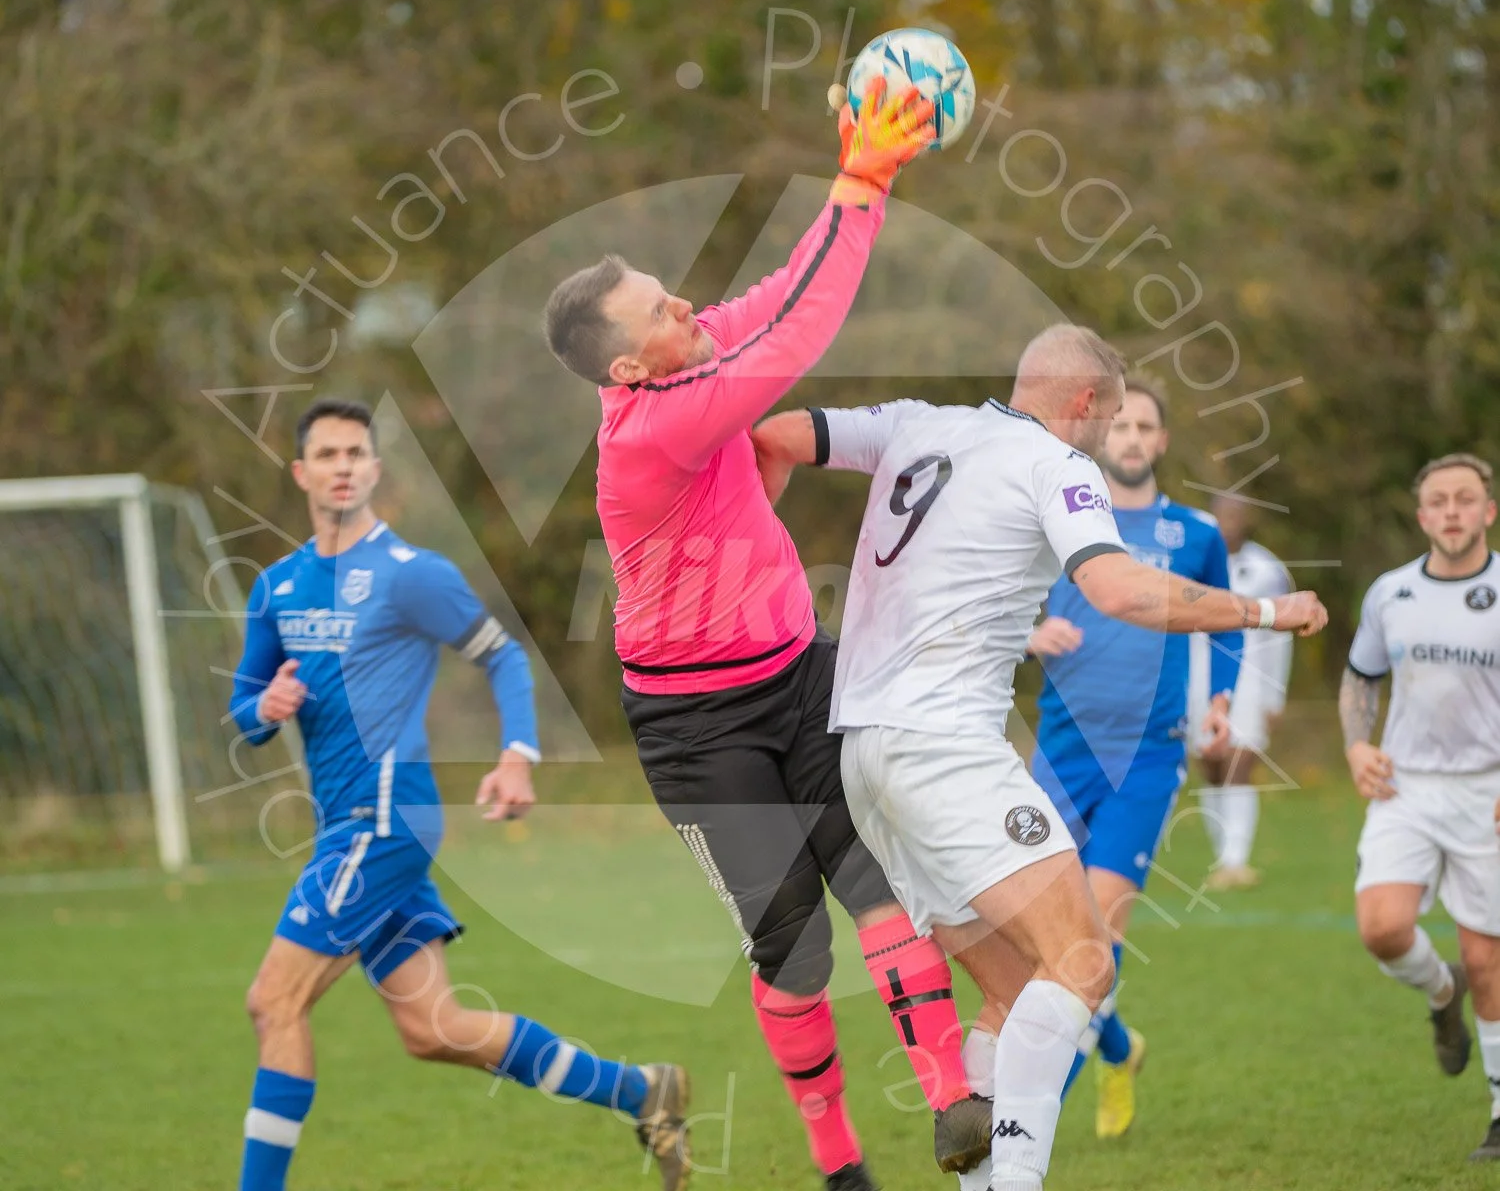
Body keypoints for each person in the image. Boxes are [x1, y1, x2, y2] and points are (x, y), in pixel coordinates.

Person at [750, 323, 1327, 1191]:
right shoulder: (1058, 465)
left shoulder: (918, 421)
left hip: (862, 755)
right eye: (1108, 416)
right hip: (943, 749)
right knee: (1087, 961)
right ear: (1087, 403)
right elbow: (1120, 588)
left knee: (1020, 990)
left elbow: (779, 434)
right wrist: (1266, 615)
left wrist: (755, 541)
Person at [542, 83, 990, 1190]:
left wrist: (859, 186)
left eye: (666, 287)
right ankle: (837, 1158)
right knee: (795, 944)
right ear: (627, 369)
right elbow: (795, 343)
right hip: (695, 729)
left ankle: (951, 1101)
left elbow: (785, 294)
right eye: (658, 307)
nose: (685, 301)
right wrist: (861, 181)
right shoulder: (654, 424)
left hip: (801, 679)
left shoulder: (685, 359)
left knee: (877, 878)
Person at [229, 399, 689, 1191]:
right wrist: (263, 709)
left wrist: (517, 757)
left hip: (384, 825)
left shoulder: (413, 577)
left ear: (374, 469)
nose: (343, 466)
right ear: (302, 473)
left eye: (356, 453)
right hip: (349, 830)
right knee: (434, 1030)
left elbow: (504, 657)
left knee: (273, 1003)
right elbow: (245, 706)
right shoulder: (277, 589)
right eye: (327, 454)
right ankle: (640, 1090)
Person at [1024, 376, 1242, 1140]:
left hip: (1148, 761)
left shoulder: (1196, 533)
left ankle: (1028, 1120)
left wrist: (1221, 702)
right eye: (1119, 425)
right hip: (1059, 754)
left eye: (1144, 425)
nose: (1130, 437)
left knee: (1091, 952)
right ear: (1100, 436)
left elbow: (1228, 622)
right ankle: (1119, 1050)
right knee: (1031, 944)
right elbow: (1000, 597)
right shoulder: (1057, 520)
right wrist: (1028, 631)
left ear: (1160, 441)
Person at [1341, 452, 1500, 1163]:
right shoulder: (1390, 593)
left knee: (1488, 956)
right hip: (1405, 787)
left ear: (1488, 511)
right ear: (1423, 516)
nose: (1454, 511)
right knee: (1382, 927)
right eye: (1440, 501)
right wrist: (1353, 746)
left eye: (1467, 499)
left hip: (1486, 791)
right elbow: (1359, 679)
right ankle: (1442, 995)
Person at [1187, 493, 1295, 890]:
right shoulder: (1194, 561)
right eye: (1222, 515)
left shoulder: (1266, 569)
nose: (1229, 522)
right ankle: (1222, 859)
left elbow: (1282, 636)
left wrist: (1275, 695)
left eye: (1236, 514)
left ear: (1246, 519)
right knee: (1211, 767)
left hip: (1249, 681)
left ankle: (1237, 859)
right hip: (1197, 681)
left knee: (1239, 763)